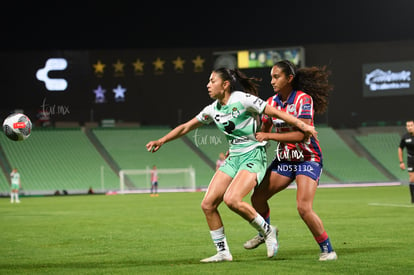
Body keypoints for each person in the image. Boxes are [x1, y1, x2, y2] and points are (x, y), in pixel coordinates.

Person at [146, 67, 317, 262]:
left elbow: (274, 111)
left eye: (212, 81)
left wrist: (302, 125)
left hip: (253, 155)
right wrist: (161, 140)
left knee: (232, 199)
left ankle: (268, 232)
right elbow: (186, 126)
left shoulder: (242, 99)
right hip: (233, 158)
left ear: (225, 84)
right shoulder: (212, 109)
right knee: (208, 204)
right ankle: (223, 252)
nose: (208, 85)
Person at [243, 60, 337, 261]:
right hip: (285, 160)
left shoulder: (304, 100)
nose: (272, 81)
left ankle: (328, 250)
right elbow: (263, 131)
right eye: (271, 77)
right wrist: (244, 147)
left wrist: (270, 137)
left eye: (276, 77)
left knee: (303, 208)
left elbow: (302, 135)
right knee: (257, 198)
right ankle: (266, 232)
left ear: (290, 78)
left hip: (307, 158)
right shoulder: (272, 103)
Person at [398, 120, 414, 203]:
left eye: (411, 125)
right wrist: (401, 162)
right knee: (412, 178)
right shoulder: (405, 137)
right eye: (408, 126)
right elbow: (400, 148)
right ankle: (413, 198)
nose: (409, 127)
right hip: (411, 159)